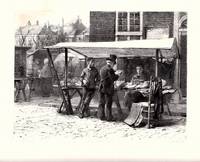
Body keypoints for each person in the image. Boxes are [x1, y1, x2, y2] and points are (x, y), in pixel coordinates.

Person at [98, 56, 122, 121]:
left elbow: (106, 77)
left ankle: (101, 117)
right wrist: (118, 75)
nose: (112, 64)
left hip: (101, 88)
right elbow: (113, 78)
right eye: (112, 63)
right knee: (108, 104)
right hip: (107, 89)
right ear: (111, 63)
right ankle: (109, 118)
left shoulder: (102, 68)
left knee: (102, 103)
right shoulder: (109, 69)